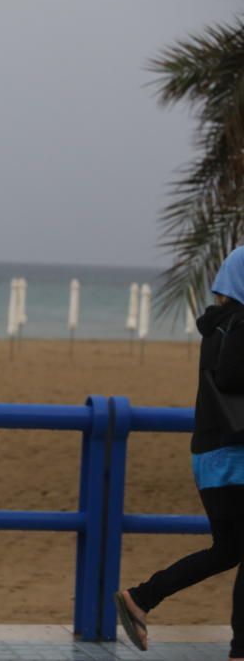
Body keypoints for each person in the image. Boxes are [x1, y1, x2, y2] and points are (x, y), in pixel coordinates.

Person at [115, 246, 244, 661]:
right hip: (233, 458)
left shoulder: (218, 325)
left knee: (228, 550)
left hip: (212, 454)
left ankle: (141, 597)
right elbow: (232, 377)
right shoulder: (241, 325)